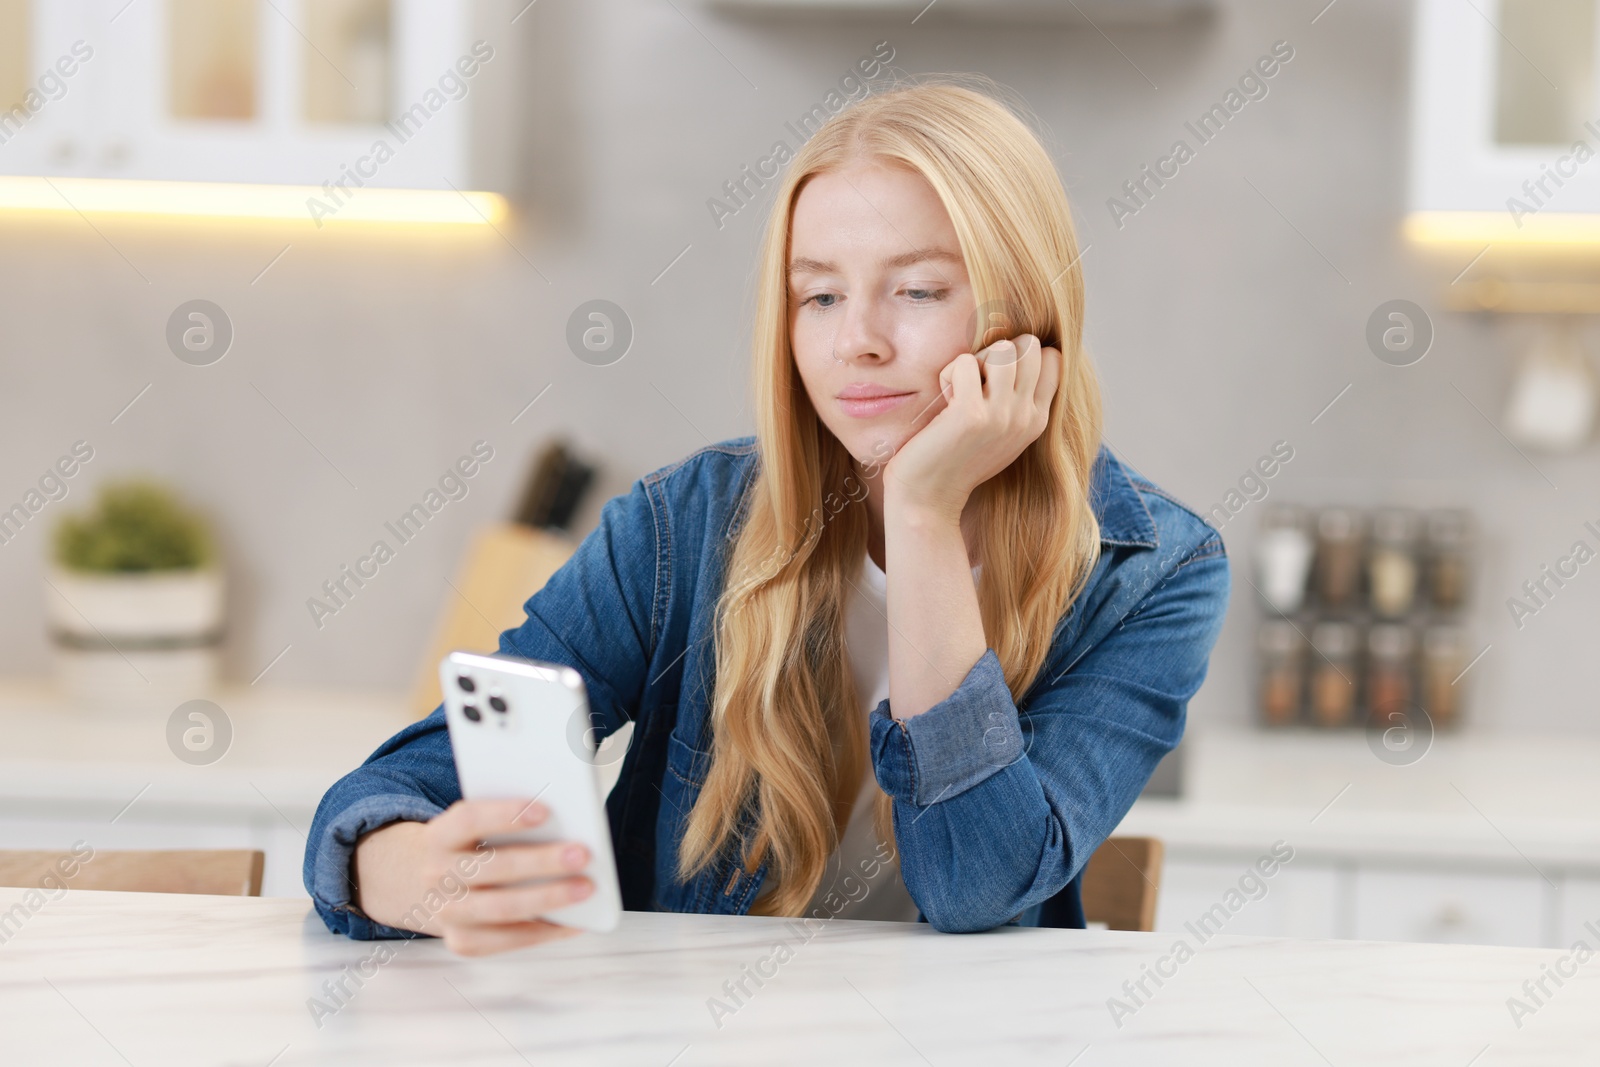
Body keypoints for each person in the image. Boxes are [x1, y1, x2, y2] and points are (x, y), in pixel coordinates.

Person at [304, 76, 1230, 956]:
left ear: (1029, 315)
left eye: (917, 290)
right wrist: (407, 870)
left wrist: (922, 515)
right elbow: (385, 794)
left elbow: (974, 887)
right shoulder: (679, 528)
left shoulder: (1156, 570)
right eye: (819, 296)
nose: (858, 340)